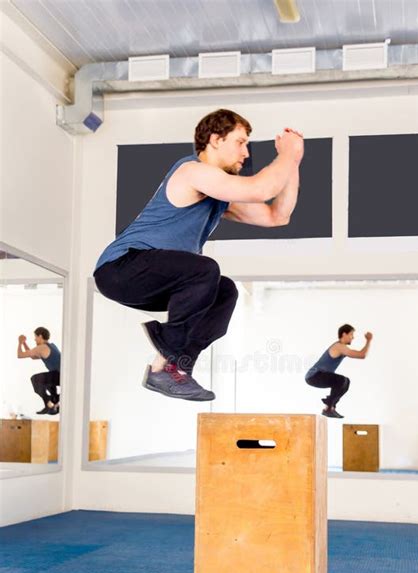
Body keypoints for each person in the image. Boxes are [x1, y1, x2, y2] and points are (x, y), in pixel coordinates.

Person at [94, 108, 304, 401]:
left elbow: (277, 215)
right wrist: (286, 155)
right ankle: (166, 346)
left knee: (224, 291)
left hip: (156, 278)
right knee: (205, 269)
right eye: (240, 142)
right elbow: (260, 188)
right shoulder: (193, 172)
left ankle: (172, 368)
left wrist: (293, 162)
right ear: (216, 140)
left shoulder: (218, 193)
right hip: (121, 268)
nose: (245, 152)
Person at [305, 324, 373, 418]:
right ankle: (328, 407)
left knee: (345, 382)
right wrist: (368, 340)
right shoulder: (339, 346)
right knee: (342, 381)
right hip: (314, 375)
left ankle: (330, 407)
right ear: (344, 334)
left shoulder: (341, 347)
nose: (353, 338)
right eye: (351, 334)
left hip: (318, 376)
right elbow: (362, 355)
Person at [17, 327, 61, 415]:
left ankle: (49, 403)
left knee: (35, 380)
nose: (34, 339)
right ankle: (54, 404)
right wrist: (24, 343)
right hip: (59, 375)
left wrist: (20, 342)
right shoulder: (51, 346)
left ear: (40, 336)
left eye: (35, 337)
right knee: (46, 383)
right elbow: (33, 356)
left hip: (58, 375)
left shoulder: (42, 347)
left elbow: (20, 355)